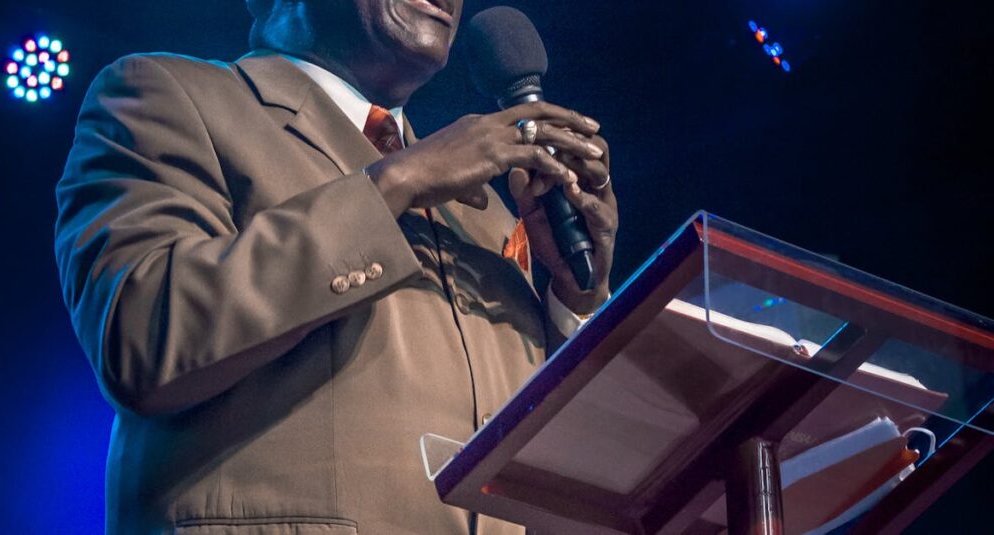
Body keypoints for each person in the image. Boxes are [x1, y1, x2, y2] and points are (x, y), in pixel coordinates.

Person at [54, 0, 618, 533]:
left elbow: (540, 459)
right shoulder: (166, 95)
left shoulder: (486, 211)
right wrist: (397, 181)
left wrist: (576, 302)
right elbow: (140, 335)